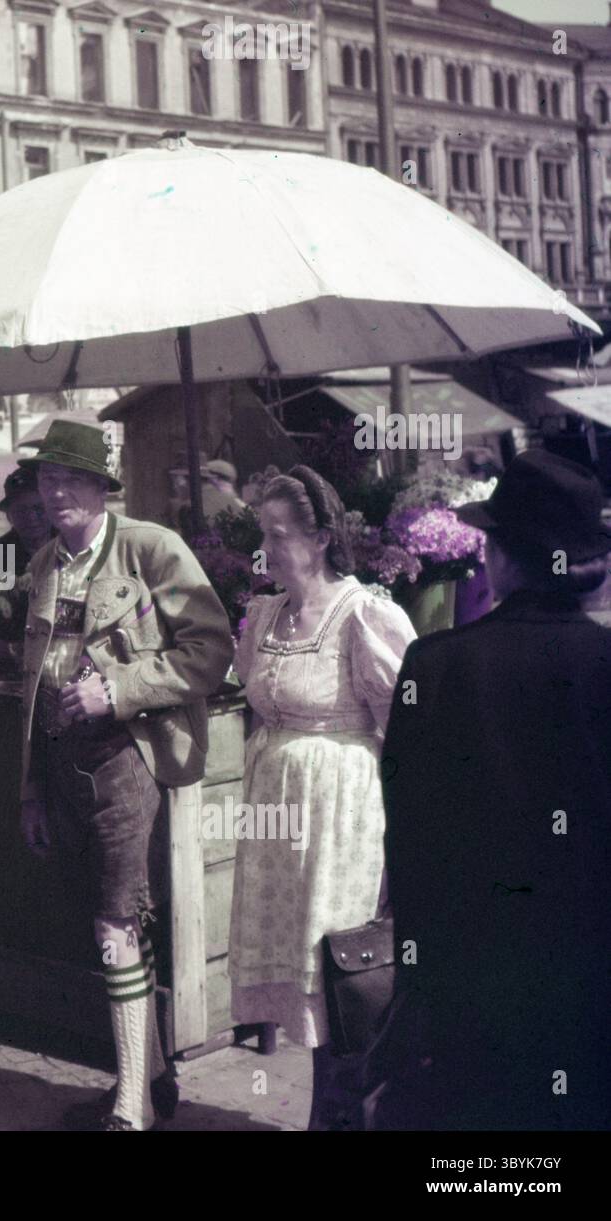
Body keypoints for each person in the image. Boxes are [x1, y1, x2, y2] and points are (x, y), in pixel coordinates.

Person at [375, 449, 611, 1131]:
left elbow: (409, 839)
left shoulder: (435, 665)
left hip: (470, 979)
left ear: (502, 556)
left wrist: (417, 976)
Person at [17, 420, 234, 1131]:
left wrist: (116, 689)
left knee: (116, 922)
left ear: (102, 487)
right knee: (106, 925)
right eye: (48, 480)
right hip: (61, 766)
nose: (57, 492)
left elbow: (210, 650)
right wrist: (31, 788)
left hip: (126, 759)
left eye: (72, 479)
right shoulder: (45, 564)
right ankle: (152, 1077)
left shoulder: (150, 548)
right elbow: (31, 686)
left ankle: (130, 1108)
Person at [227, 464, 416, 1131]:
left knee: (341, 982)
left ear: (321, 539)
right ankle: (327, 1117)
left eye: (278, 535)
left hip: (342, 822)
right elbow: (252, 697)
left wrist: (402, 843)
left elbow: (412, 729)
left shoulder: (363, 613)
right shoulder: (266, 613)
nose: (267, 550)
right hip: (280, 827)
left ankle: (342, 1121)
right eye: (262, 535)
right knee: (306, 990)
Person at [0, 466, 53, 668]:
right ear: (8, 515)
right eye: (21, 510)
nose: (32, 518)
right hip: (6, 666)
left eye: (39, 509)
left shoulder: (71, 546)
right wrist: (6, 649)